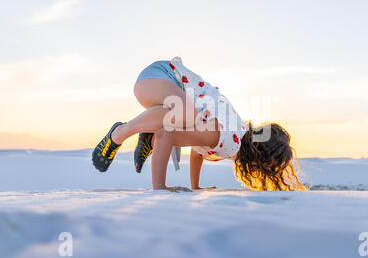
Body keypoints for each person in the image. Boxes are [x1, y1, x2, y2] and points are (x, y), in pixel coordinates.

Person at [91, 57, 306, 192]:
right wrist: (160, 188)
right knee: (185, 114)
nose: (264, 169)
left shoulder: (233, 137)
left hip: (162, 85)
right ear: (260, 151)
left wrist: (195, 186)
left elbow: (197, 152)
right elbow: (167, 136)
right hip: (160, 77)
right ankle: (119, 133)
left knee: (184, 115)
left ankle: (148, 131)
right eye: (269, 163)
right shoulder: (230, 142)